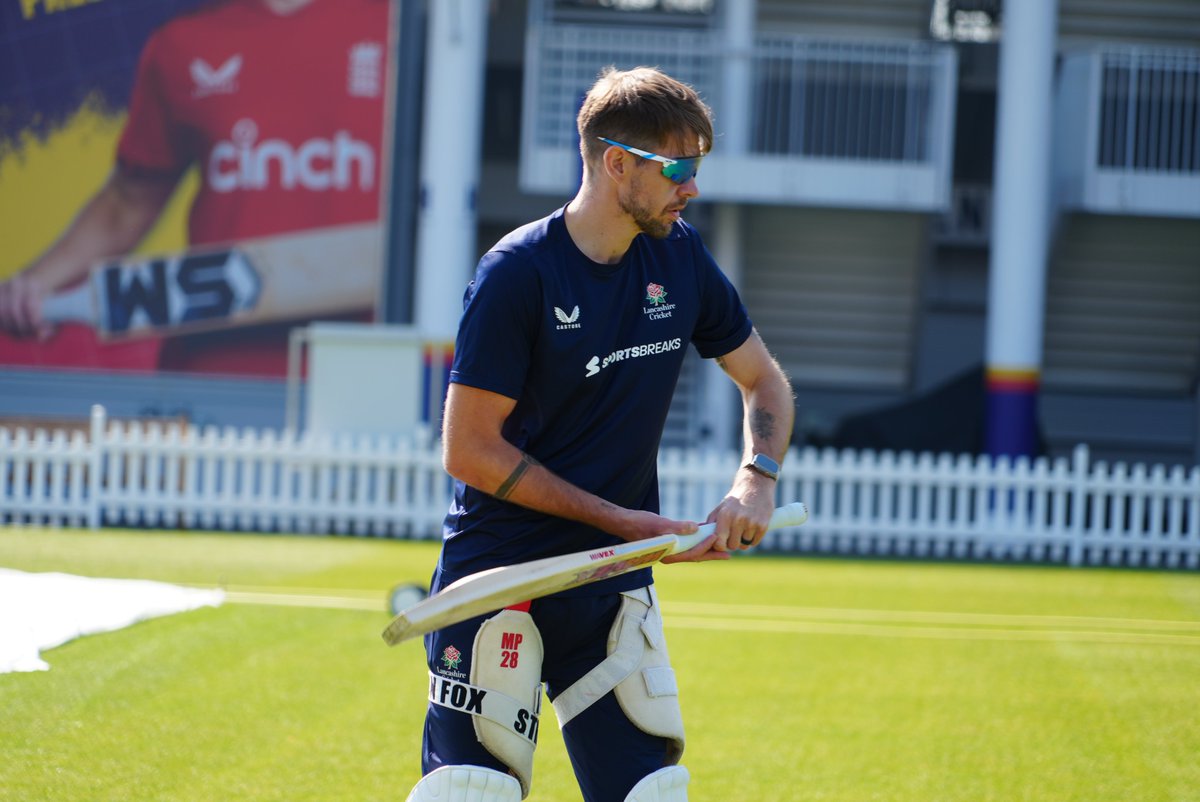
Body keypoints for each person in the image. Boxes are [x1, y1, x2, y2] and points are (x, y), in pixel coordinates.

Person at [408, 67, 795, 802]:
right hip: (501, 578)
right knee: (470, 793)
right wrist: (620, 520)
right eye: (678, 167)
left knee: (652, 797)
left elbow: (764, 381)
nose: (693, 188)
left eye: (698, 166)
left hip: (612, 578)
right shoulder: (516, 274)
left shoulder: (679, 256)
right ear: (616, 162)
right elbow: (469, 450)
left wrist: (757, 479)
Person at [0, 0, 389, 376]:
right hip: (215, 370)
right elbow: (128, 202)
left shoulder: (409, 29)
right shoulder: (184, 42)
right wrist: (32, 288)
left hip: (366, 365)